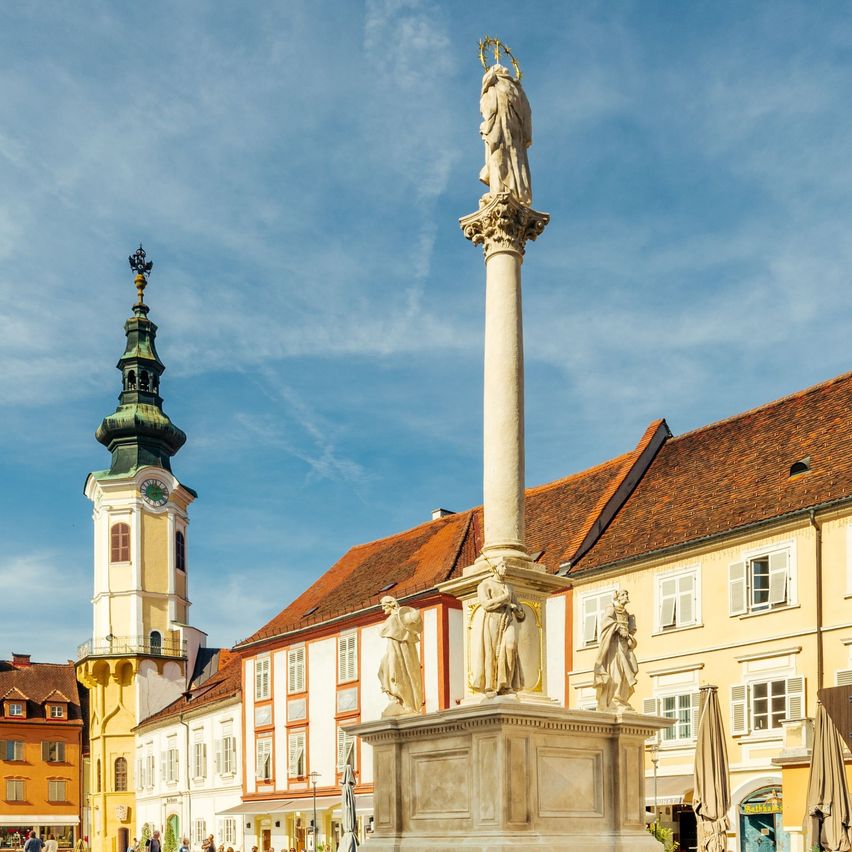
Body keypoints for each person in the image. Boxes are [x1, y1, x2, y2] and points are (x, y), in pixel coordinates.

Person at [470, 558, 526, 695]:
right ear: (495, 568)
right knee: (491, 652)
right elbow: (486, 604)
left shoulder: (509, 587)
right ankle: (491, 686)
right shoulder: (485, 585)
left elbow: (521, 615)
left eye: (505, 566)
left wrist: (517, 609)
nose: (505, 569)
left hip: (507, 620)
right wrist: (504, 599)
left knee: (511, 646)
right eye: (502, 566)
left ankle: (507, 685)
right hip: (492, 620)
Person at [593, 589, 639, 710]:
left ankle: (622, 698)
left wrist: (629, 635)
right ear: (618, 597)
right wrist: (618, 628)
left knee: (633, 669)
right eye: (623, 594)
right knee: (617, 672)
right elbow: (605, 621)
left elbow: (631, 630)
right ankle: (615, 698)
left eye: (627, 594)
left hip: (625, 645)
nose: (626, 596)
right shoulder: (611, 608)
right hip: (614, 645)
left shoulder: (626, 613)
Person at [377, 596, 423, 714]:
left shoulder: (393, 619)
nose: (382, 608)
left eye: (384, 605)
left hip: (395, 652)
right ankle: (398, 699)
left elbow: (382, 631)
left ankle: (404, 702)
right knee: (386, 672)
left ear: (391, 605)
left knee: (395, 674)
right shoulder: (396, 620)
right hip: (394, 651)